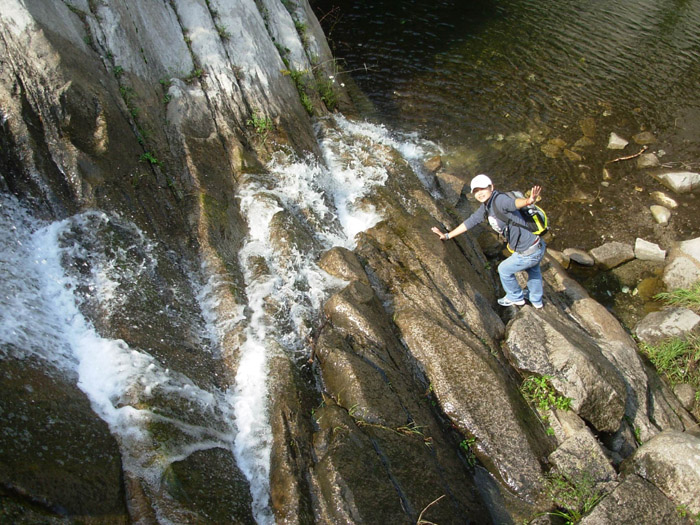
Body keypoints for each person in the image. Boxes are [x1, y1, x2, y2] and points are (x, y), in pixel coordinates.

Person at [431, 174, 546, 308]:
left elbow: (514, 204)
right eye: (476, 191)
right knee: (534, 271)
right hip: (536, 245)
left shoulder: (500, 200)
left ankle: (516, 297)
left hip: (528, 250)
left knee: (503, 269)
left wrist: (528, 201)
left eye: (482, 189)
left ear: (491, 187)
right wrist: (447, 235)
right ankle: (537, 301)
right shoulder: (486, 206)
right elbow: (470, 222)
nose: (479, 193)